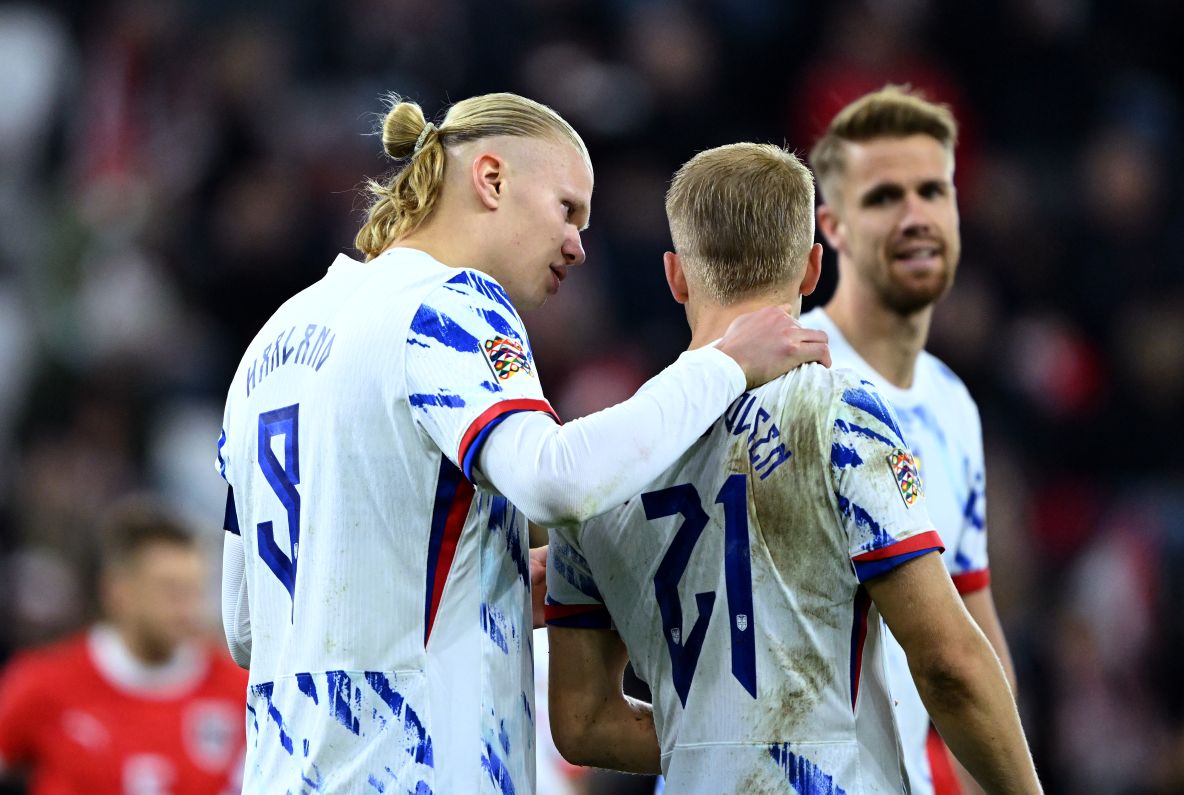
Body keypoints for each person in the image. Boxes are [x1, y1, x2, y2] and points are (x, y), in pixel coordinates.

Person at [215, 92, 830, 794]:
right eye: (568, 209)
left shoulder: (274, 341)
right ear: (492, 179)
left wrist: (486, 585)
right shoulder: (449, 305)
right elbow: (556, 479)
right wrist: (721, 362)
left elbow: (244, 621)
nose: (579, 243)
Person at [544, 142, 1041, 794]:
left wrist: (719, 747)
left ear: (676, 276)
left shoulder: (601, 456)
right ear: (812, 269)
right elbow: (948, 661)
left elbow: (581, 721)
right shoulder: (836, 413)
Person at [801, 84, 1015, 795]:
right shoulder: (792, 376)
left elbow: (975, 645)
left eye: (933, 190)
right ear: (831, 226)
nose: (917, 215)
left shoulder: (953, 404)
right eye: (885, 196)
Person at [0, 496, 247, 795]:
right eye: (170, 590)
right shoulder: (42, 683)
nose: (187, 610)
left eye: (193, 590)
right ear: (117, 591)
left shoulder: (239, 690)